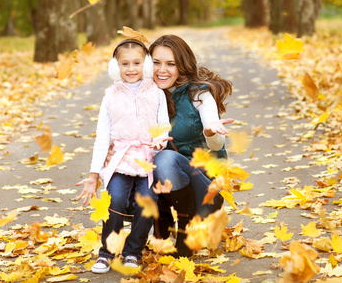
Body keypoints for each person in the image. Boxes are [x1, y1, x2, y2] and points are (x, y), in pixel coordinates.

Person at [76, 38, 170, 274]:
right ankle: (107, 253)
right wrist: (93, 175)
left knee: (147, 202)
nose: (131, 69)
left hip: (148, 158)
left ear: (145, 64)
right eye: (124, 64)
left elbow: (164, 124)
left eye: (136, 63)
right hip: (121, 158)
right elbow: (102, 137)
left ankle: (132, 252)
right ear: (115, 67)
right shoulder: (110, 96)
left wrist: (159, 139)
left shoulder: (156, 93)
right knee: (115, 200)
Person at [149, 34, 233, 257]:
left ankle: (187, 225)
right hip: (166, 184)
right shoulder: (145, 95)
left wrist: (210, 131)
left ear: (182, 65)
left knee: (165, 158)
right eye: (156, 62)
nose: (162, 70)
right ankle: (163, 216)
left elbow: (216, 145)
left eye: (170, 64)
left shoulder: (199, 93)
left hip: (204, 187)